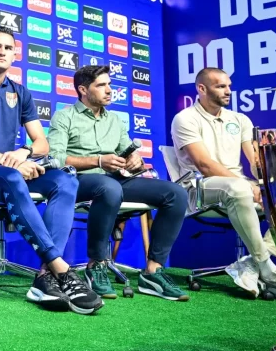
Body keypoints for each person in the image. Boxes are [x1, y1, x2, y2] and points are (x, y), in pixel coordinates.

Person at [0, 27, 103, 315]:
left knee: (65, 180)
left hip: (12, 169)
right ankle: (61, 270)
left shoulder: (20, 92)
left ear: (15, 55)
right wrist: (7, 161)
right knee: (9, 176)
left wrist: (24, 153)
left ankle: (44, 276)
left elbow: (42, 142)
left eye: (8, 47)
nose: (2, 51)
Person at [47, 65, 191, 301]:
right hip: (77, 181)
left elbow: (127, 152)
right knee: (108, 187)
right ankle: (96, 265)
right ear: (83, 90)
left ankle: (153, 271)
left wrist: (133, 160)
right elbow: (56, 157)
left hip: (115, 179)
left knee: (175, 194)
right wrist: (98, 160)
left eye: (110, 84)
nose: (109, 90)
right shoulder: (64, 117)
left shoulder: (114, 119)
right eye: (101, 85)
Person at [171, 67, 276, 298]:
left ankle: (250, 264)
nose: (228, 91)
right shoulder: (185, 118)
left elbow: (255, 162)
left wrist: (268, 181)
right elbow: (204, 165)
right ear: (201, 89)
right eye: (221, 86)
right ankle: (268, 270)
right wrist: (249, 186)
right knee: (237, 187)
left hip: (237, 186)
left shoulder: (239, 119)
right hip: (198, 187)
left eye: (229, 86)